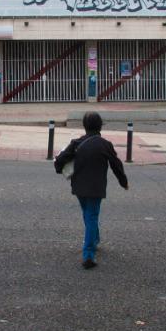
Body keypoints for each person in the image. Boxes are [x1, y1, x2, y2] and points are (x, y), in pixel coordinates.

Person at [54, 111, 128, 269]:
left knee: (88, 214)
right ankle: (88, 254)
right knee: (92, 215)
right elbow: (116, 165)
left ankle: (94, 239)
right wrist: (123, 182)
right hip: (96, 188)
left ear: (85, 126)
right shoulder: (105, 145)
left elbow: (60, 159)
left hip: (79, 187)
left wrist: (60, 169)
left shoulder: (76, 143)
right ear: (100, 126)